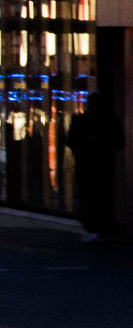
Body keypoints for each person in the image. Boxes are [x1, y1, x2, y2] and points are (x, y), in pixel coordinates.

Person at [69, 100, 124, 241]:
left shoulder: (80, 120)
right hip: (103, 167)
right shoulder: (109, 120)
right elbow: (119, 142)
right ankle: (100, 228)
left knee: (88, 198)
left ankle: (91, 228)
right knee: (101, 197)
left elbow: (71, 141)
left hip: (86, 167)